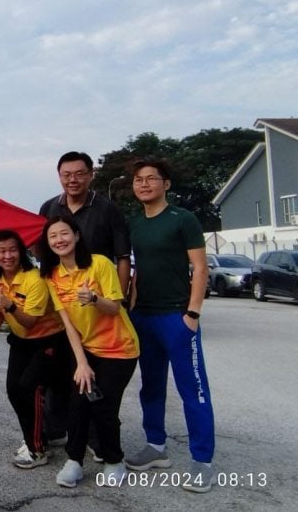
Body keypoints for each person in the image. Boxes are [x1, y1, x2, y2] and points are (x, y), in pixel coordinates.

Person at [125, 157, 215, 493]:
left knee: (193, 390)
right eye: (138, 179)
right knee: (150, 386)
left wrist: (192, 315)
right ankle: (156, 447)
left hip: (176, 317)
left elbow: (201, 269)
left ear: (166, 184)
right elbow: (135, 269)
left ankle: (202, 461)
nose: (144, 184)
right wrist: (130, 308)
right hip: (143, 316)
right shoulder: (133, 223)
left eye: (151, 178)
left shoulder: (183, 219)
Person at [39, 151, 132, 453]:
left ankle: (96, 440)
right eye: (67, 174)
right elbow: (42, 254)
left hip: (100, 307)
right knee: (60, 373)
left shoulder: (107, 209)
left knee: (97, 381)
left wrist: (115, 298)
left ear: (91, 174)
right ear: (59, 176)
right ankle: (55, 430)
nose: (73, 179)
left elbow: (122, 257)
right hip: (63, 304)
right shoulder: (48, 207)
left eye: (79, 173)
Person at [39, 215, 139, 489]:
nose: (59, 240)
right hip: (86, 348)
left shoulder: (100, 264)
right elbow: (68, 324)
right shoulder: (52, 275)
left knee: (103, 404)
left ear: (76, 236)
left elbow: (115, 308)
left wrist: (94, 299)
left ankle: (114, 461)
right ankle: (74, 461)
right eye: (53, 236)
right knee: (79, 401)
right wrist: (81, 364)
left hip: (120, 348)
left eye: (64, 234)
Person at [0, 230, 67, 469]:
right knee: (13, 390)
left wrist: (10, 304)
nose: (7, 256)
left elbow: (29, 322)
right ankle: (33, 437)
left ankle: (37, 449)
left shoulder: (35, 280)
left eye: (12, 250)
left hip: (47, 341)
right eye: (2, 251)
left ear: (22, 252)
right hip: (21, 342)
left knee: (30, 389)